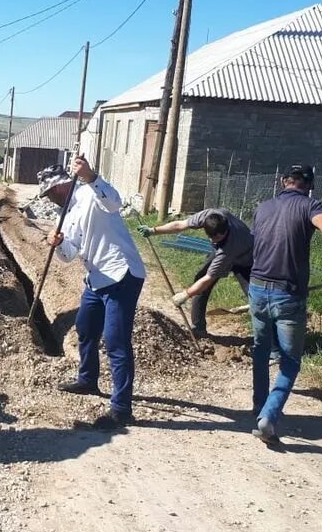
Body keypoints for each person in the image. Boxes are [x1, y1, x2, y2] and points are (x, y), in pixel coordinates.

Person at [249, 164, 322, 445]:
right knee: (290, 360)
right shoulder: (310, 206)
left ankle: (258, 407)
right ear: (309, 185)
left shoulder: (263, 207)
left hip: (257, 288)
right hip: (288, 294)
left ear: (283, 181)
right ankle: (268, 417)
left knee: (260, 351)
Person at [41, 156, 147, 431]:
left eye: (51, 192)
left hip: (121, 274)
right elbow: (68, 255)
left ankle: (122, 409)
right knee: (85, 328)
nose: (50, 198)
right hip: (96, 279)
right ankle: (88, 379)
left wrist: (90, 176)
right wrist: (57, 243)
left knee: (115, 341)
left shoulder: (91, 192)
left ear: (62, 185)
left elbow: (115, 202)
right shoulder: (66, 214)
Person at [139, 208, 253, 336]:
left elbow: (208, 279)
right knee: (200, 279)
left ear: (225, 231)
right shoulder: (209, 216)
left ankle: (272, 346)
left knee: (257, 299)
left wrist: (185, 294)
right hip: (225, 251)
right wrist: (153, 230)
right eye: (210, 236)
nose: (212, 240)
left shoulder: (227, 250)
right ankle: (198, 329)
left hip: (246, 260)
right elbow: (180, 225)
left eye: (217, 237)